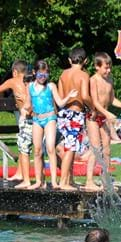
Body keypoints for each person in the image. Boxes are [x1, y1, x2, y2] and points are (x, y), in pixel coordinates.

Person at [21, 60, 78, 189]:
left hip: (50, 118)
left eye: (46, 74)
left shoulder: (51, 86)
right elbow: (28, 103)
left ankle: (54, 181)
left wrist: (69, 96)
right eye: (41, 74)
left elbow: (60, 103)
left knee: (50, 148)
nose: (43, 77)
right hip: (37, 120)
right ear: (34, 72)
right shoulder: (30, 86)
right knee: (37, 151)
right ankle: (38, 181)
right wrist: (24, 110)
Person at [83, 52, 121, 191]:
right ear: (96, 67)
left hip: (104, 116)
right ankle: (89, 181)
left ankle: (106, 181)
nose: (109, 70)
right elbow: (94, 102)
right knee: (95, 149)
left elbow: (111, 100)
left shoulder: (110, 79)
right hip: (93, 117)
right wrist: (107, 113)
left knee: (107, 150)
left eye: (110, 67)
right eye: (106, 68)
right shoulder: (93, 80)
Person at [57, 48, 91, 190]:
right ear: (86, 61)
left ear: (70, 60)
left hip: (63, 113)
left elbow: (59, 96)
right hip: (75, 114)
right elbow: (84, 96)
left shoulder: (63, 74)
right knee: (71, 149)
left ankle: (70, 179)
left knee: (67, 147)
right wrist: (92, 106)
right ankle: (63, 182)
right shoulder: (84, 75)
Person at [0, 60, 33, 188]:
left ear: (15, 72)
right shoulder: (31, 81)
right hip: (38, 116)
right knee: (24, 146)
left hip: (25, 117)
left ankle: (23, 176)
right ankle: (19, 173)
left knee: (23, 147)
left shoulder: (12, 81)